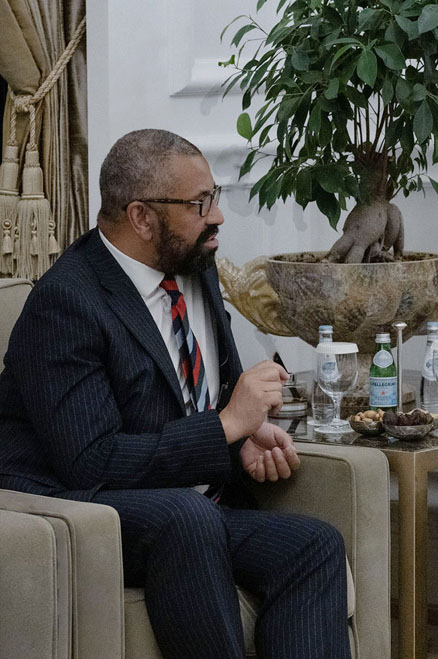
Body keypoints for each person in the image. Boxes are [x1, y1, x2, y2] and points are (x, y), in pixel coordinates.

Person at [0, 129, 350, 659]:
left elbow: (201, 401)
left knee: (313, 546)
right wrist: (226, 426)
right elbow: (90, 461)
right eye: (199, 204)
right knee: (189, 519)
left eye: (215, 198)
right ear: (141, 217)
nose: (218, 217)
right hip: (75, 508)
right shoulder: (67, 303)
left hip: (186, 508)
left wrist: (241, 441)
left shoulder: (195, 269)